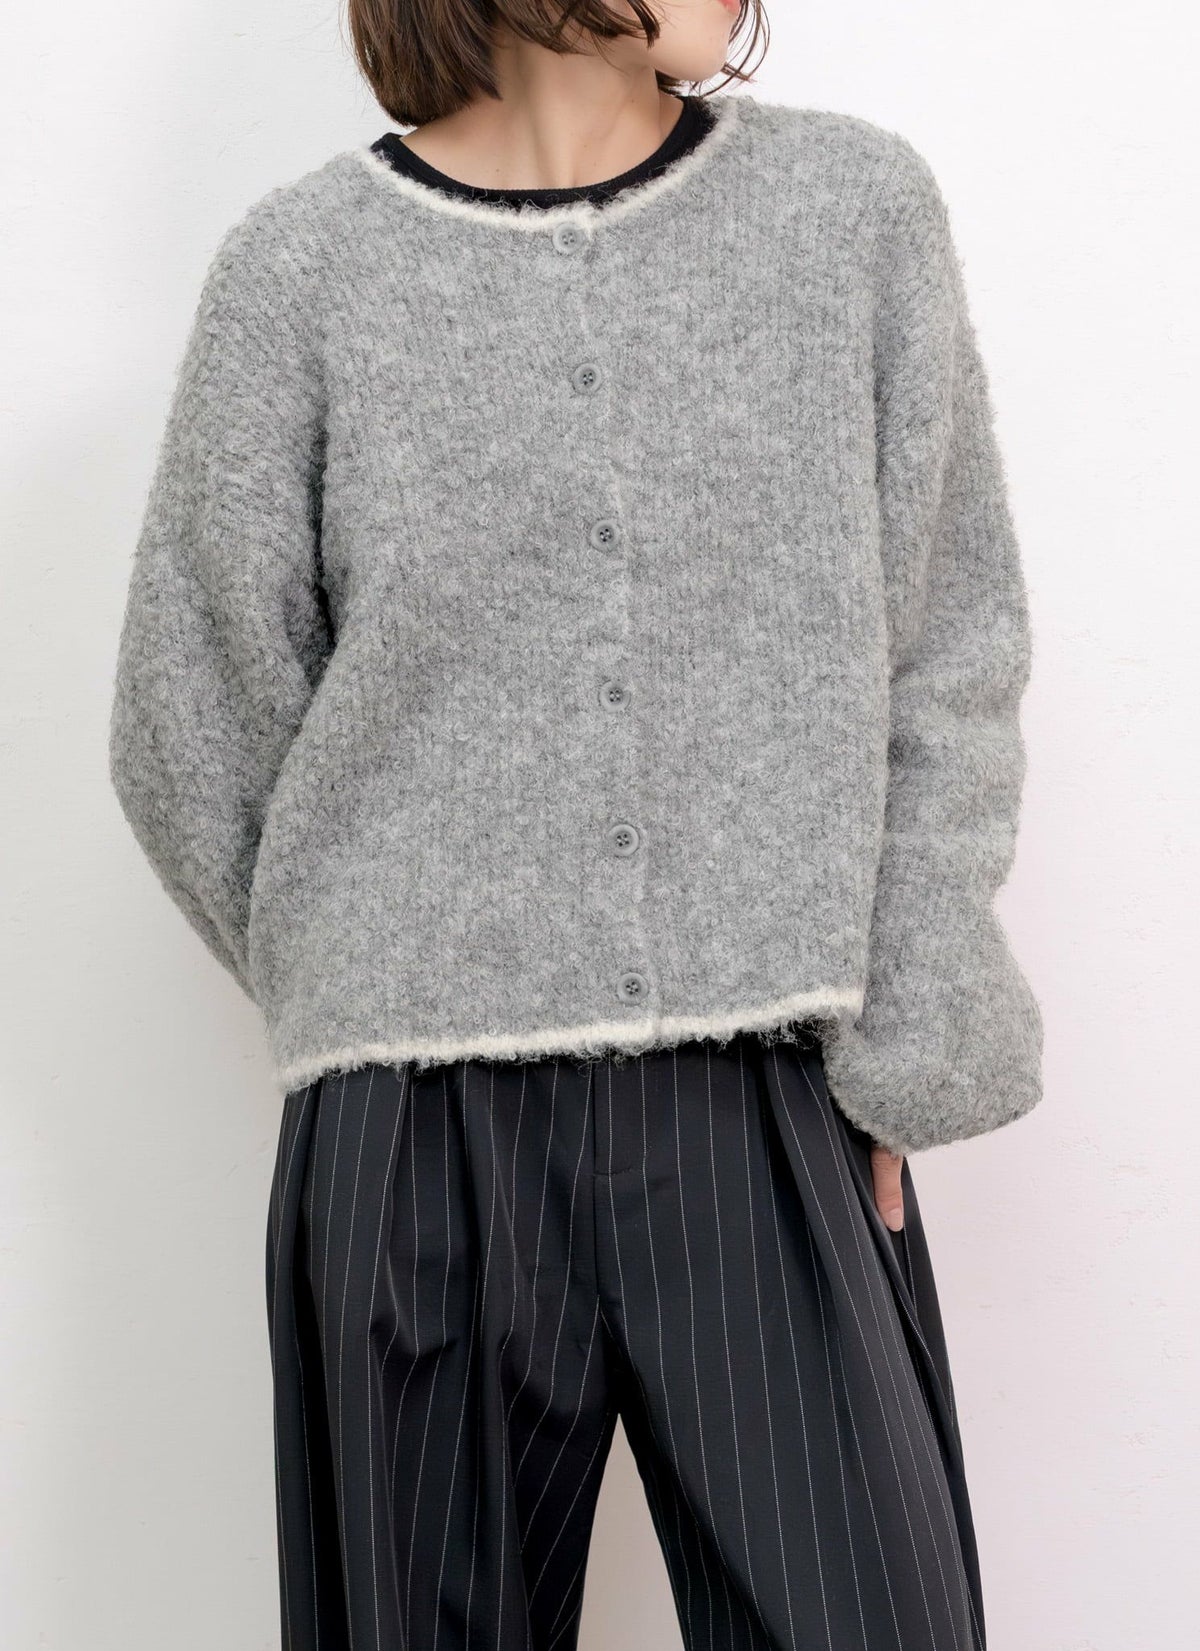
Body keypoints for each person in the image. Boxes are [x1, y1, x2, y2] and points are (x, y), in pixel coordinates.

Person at [107, 2, 1043, 1646]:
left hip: (765, 1097)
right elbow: (188, 720)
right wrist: (382, 963)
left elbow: (950, 651)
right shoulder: (304, 273)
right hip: (415, 1140)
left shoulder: (850, 217)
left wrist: (909, 1034)